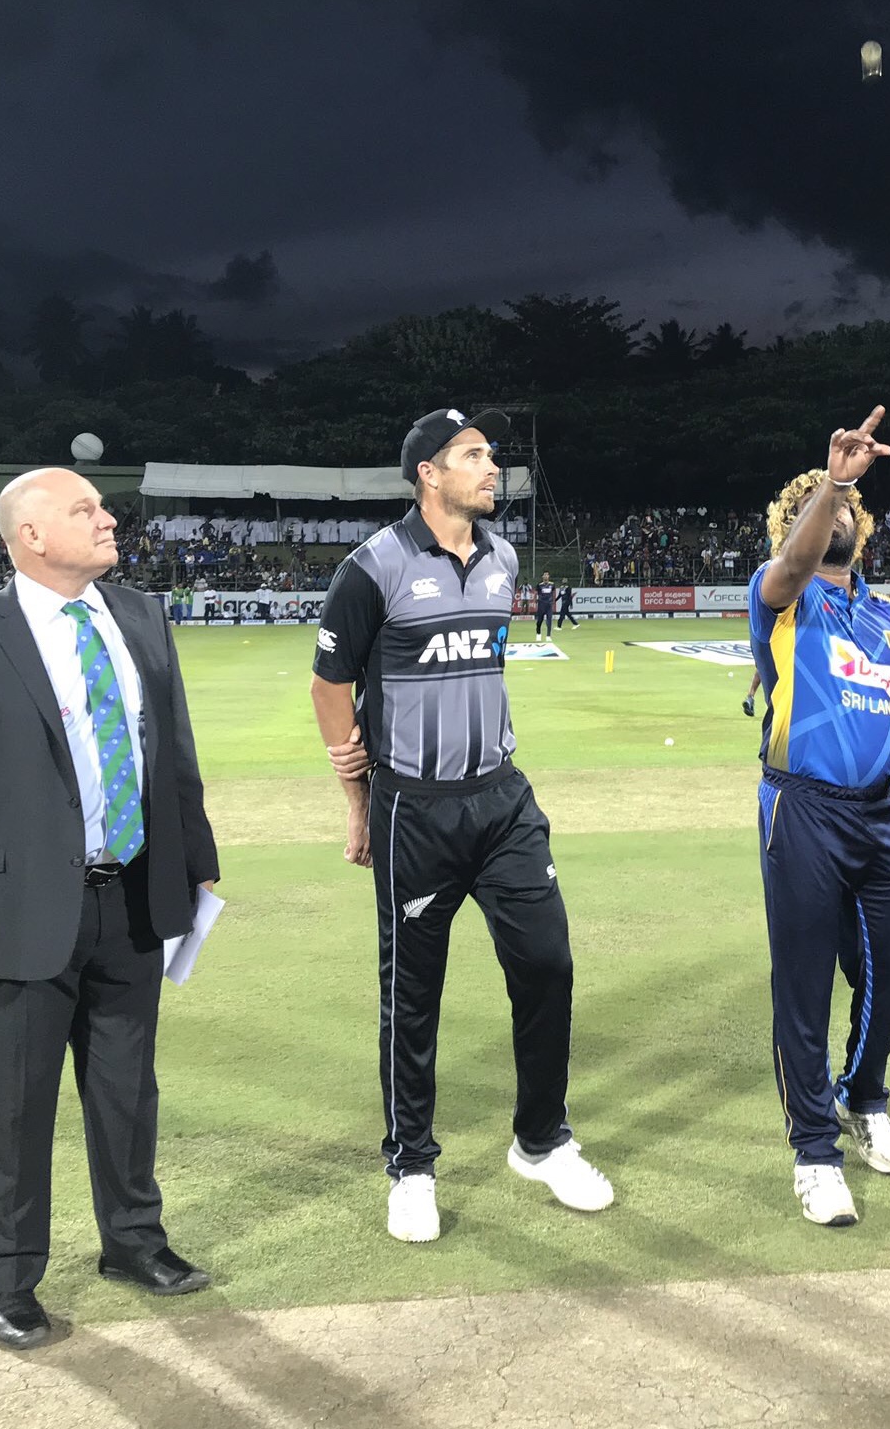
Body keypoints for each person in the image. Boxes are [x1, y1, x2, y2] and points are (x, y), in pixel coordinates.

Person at [0, 467, 220, 1350]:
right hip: (15, 912)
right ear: (31, 535)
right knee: (16, 1104)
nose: (108, 518)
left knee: (127, 1091)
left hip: (134, 895)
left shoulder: (141, 617)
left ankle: (134, 1241)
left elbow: (172, 755)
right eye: (86, 509)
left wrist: (196, 863)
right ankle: (8, 1279)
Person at [309, 407, 613, 1244]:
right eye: (472, 454)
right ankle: (411, 1164)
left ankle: (541, 1140)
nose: (491, 466)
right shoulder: (373, 566)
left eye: (491, 454)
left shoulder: (503, 560)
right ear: (428, 474)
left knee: (548, 964)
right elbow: (330, 685)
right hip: (414, 808)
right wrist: (358, 799)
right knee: (412, 996)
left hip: (503, 800)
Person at [749, 406, 890, 1227]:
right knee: (803, 985)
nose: (830, 516)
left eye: (843, 508)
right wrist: (831, 483)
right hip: (803, 807)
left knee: (889, 969)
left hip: (882, 813)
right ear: (793, 527)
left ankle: (863, 1098)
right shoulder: (780, 595)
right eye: (810, 509)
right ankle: (814, 1153)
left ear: (860, 529)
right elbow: (795, 562)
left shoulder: (887, 615)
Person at [534, 571, 556, 642]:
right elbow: (536, 593)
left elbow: (553, 593)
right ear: (542, 577)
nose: (546, 576)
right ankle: (538, 634)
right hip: (541, 605)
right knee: (539, 621)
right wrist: (535, 601)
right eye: (544, 575)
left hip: (549, 605)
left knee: (549, 620)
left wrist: (553, 602)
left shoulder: (552, 584)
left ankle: (548, 636)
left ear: (549, 576)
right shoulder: (539, 585)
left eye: (547, 575)